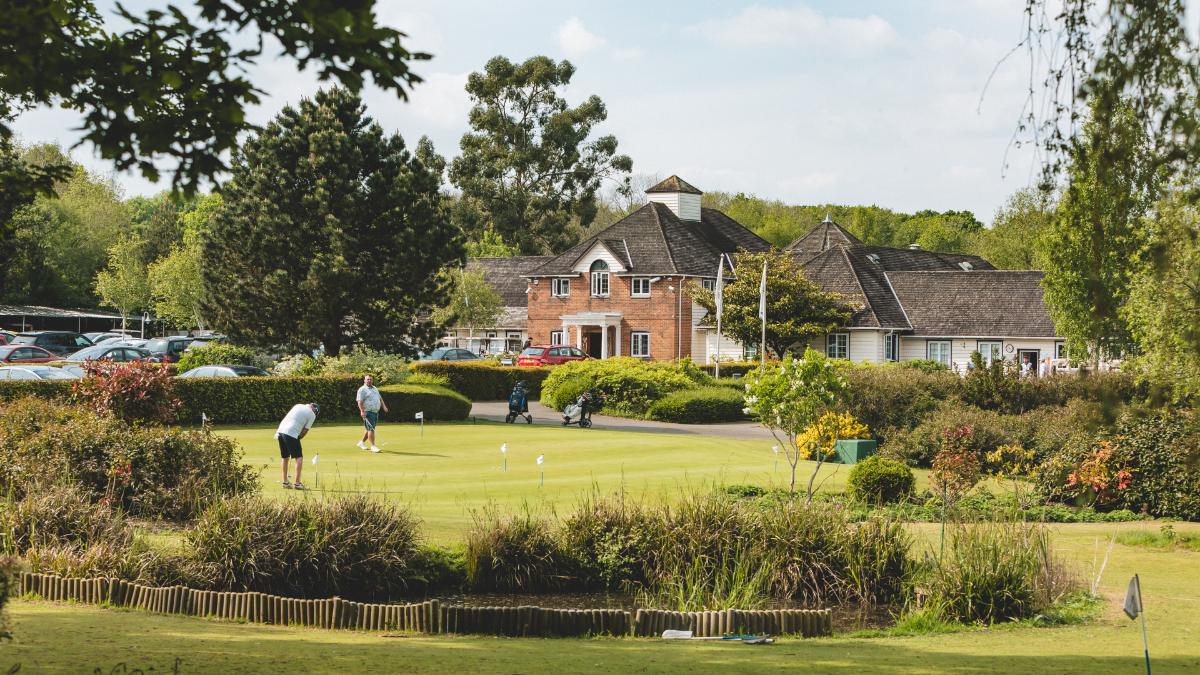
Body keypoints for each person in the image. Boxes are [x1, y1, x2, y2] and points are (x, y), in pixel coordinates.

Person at [276, 402, 318, 489]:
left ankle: (285, 482)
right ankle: (297, 484)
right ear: (315, 409)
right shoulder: (312, 415)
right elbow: (305, 430)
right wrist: (299, 437)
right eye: (316, 412)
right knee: (299, 457)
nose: (315, 414)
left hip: (280, 431)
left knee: (285, 457)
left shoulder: (298, 405)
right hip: (291, 433)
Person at [356, 373, 389, 453]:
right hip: (368, 412)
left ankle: (361, 443)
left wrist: (384, 406)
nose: (369, 380)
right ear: (364, 380)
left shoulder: (374, 388)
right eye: (367, 379)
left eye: (370, 379)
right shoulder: (362, 389)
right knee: (371, 429)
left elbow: (380, 398)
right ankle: (373, 446)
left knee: (369, 429)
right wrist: (362, 411)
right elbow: (359, 401)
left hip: (375, 412)